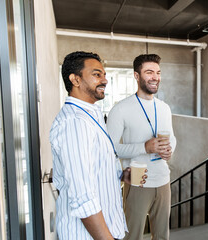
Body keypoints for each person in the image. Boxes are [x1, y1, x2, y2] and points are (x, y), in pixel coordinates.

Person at [50, 51, 144, 240]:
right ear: (75, 80)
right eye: (96, 74)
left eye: (104, 74)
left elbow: (90, 172)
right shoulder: (76, 122)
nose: (105, 80)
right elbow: (82, 196)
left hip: (106, 230)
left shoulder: (91, 115)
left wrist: (120, 175)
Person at [107, 54, 176, 240]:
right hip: (137, 181)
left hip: (163, 180)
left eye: (158, 72)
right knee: (132, 236)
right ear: (137, 76)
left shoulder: (164, 108)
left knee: (162, 236)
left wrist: (170, 149)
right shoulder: (120, 109)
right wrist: (144, 147)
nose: (155, 77)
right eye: (149, 72)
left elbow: (172, 138)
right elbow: (109, 148)